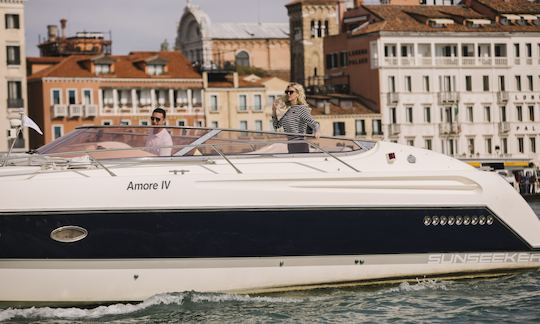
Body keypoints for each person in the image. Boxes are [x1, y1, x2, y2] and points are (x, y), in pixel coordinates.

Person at [272, 82, 320, 153]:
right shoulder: (289, 111)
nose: (288, 94)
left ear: (297, 94)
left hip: (300, 144)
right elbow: (277, 126)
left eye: (291, 92)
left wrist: (317, 131)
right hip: (291, 144)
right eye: (287, 92)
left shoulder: (301, 109)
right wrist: (274, 111)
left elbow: (315, 124)